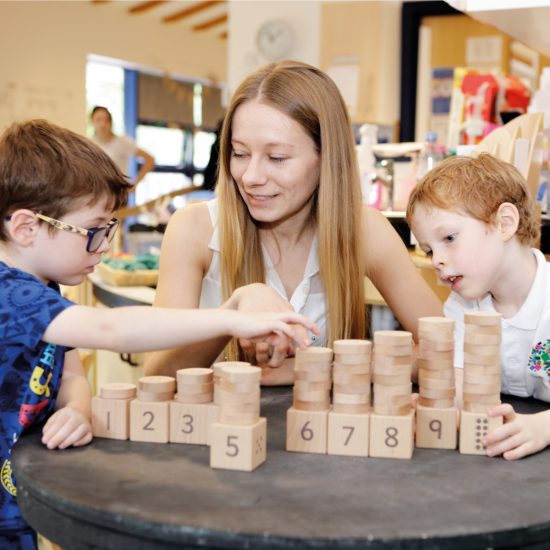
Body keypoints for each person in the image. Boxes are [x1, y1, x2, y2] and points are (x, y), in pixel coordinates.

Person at [0, 119, 318, 549]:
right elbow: (110, 328)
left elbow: (69, 372)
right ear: (26, 228)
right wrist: (229, 318)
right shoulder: (9, 293)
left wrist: (76, 408)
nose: (105, 247)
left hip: (17, 495)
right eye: (94, 231)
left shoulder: (44, 285)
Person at [144, 60, 443, 385]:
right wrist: (232, 314)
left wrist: (316, 367)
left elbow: (448, 349)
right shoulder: (194, 229)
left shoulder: (364, 229)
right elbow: (157, 373)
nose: (251, 177)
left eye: (277, 158)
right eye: (240, 153)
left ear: (326, 158)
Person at [406, 152, 550, 460]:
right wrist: (439, 407)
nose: (437, 260)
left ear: (504, 223)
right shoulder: (462, 305)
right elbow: (459, 384)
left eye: (449, 238)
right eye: (429, 249)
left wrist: (544, 427)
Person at [90, 105, 155, 186]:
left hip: (118, 194)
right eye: (98, 120)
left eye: (106, 120)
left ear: (110, 122)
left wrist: (135, 184)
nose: (103, 124)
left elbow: (150, 159)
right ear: (92, 121)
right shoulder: (89, 145)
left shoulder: (122, 142)